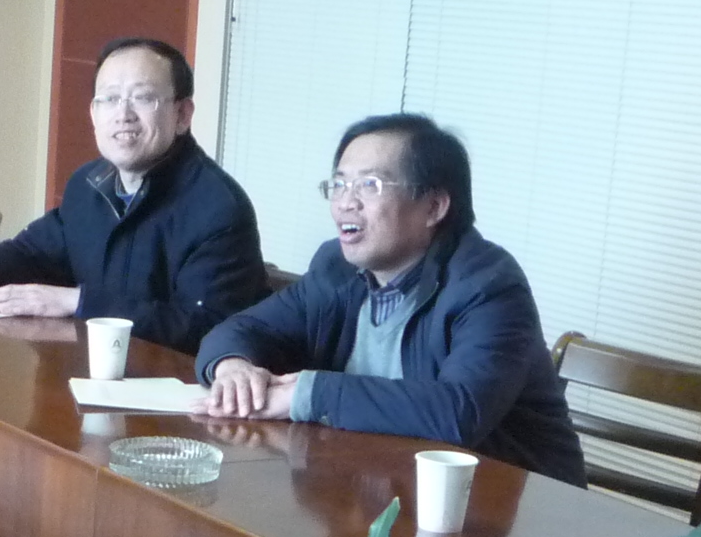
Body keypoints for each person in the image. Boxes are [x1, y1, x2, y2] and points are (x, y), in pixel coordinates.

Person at [193, 114, 585, 485]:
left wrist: (306, 394)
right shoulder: (337, 268)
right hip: (384, 484)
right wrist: (233, 367)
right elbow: (243, 328)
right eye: (339, 184)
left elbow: (458, 411)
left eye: (370, 185)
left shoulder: (486, 285)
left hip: (512, 501)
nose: (346, 202)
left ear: (433, 206)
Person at [0, 37, 267, 354]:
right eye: (109, 99)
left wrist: (77, 302)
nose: (123, 114)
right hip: (87, 371)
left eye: (143, 98)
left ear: (182, 115)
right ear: (94, 114)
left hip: (173, 387)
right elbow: (34, 252)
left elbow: (205, 327)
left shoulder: (219, 208)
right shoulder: (90, 183)